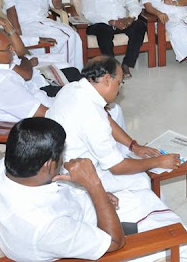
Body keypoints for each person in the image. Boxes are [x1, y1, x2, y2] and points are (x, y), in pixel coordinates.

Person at [0, 117, 187, 262]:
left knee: (141, 197)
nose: (63, 158)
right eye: (60, 155)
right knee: (175, 233)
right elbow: (115, 243)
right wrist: (93, 186)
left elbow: (50, 195)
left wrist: (96, 196)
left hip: (77, 220)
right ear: (47, 165)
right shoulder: (46, 227)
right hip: (91, 243)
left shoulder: (4, 170)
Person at [47, 56, 177, 193]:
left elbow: (107, 118)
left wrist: (134, 146)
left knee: (115, 112)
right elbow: (117, 167)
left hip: (60, 161)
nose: (119, 90)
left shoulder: (71, 88)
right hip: (76, 177)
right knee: (142, 180)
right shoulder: (92, 116)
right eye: (119, 83)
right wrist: (158, 162)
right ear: (107, 79)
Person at [0, 1, 80, 97]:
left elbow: (20, 51)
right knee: (76, 87)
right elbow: (26, 74)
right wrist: (28, 61)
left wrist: (7, 25)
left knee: (73, 72)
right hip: (31, 86)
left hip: (31, 73)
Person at [81, 0, 146, 79]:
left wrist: (131, 18)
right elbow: (89, 14)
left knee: (140, 26)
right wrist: (111, 22)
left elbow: (133, 4)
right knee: (104, 30)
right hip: (101, 24)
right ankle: (112, 67)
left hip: (121, 22)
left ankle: (126, 64)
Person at [0, 27, 51, 122]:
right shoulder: (1, 82)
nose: (13, 49)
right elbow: (44, 114)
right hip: (40, 123)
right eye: (8, 48)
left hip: (41, 106)